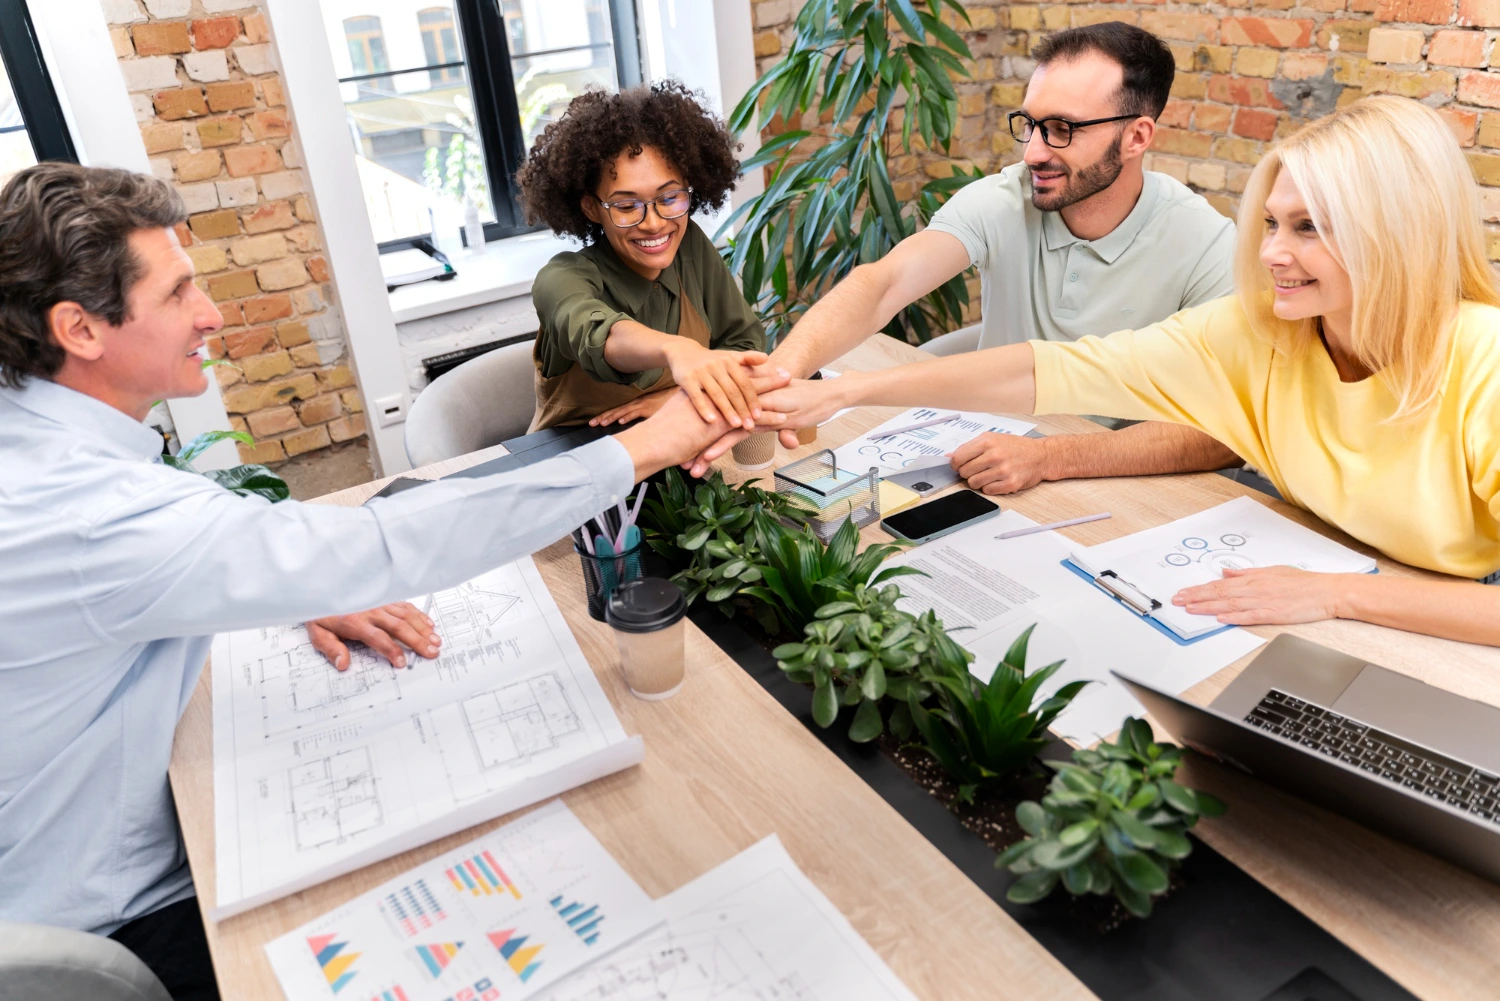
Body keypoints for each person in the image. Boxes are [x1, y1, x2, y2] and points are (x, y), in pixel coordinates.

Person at [0, 163, 777, 999]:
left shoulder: (41, 442)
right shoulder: (89, 511)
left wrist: (285, 579)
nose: (211, 315)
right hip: (119, 916)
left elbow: (168, 565)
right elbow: (385, 542)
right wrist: (645, 448)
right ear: (80, 328)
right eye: (179, 292)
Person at [753, 96, 1500, 645]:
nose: (1272, 252)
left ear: (1392, 236)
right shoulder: (1258, 330)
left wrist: (1337, 596)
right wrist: (850, 388)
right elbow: (1055, 371)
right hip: (1327, 591)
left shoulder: (1484, 360)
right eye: (1272, 222)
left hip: (1440, 614)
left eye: (1309, 228)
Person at [693, 22, 1244, 492]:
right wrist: (780, 377)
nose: (1033, 153)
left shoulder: (1207, 245)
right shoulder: (1006, 198)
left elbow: (1230, 431)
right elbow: (884, 283)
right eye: (1030, 124)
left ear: (1136, 137)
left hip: (1110, 481)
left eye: (1062, 130)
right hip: (976, 453)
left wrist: (1054, 458)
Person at [518, 81, 770, 433]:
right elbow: (600, 336)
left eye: (668, 199)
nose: (653, 224)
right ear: (592, 207)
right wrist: (676, 350)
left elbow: (746, 349)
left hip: (681, 457)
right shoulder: (561, 279)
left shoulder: (689, 248)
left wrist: (678, 398)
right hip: (574, 467)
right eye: (625, 206)